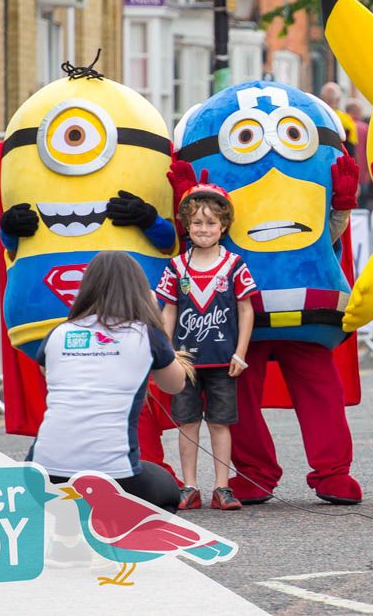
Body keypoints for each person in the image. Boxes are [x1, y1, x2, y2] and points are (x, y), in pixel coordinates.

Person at [31, 251, 192, 513]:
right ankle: (124, 540)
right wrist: (156, 318)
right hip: (113, 477)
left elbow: (48, 374)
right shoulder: (146, 333)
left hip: (41, 473)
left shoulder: (59, 332)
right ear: (138, 289)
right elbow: (175, 384)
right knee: (165, 488)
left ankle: (68, 528)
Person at [156, 183, 256, 511]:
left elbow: (246, 309)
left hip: (223, 359)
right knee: (187, 423)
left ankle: (222, 487)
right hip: (184, 361)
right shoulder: (176, 267)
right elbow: (168, 309)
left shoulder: (234, 265)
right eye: (197, 223)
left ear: (223, 226)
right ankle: (189, 485)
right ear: (187, 225)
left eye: (211, 223)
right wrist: (165, 352)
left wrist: (241, 352)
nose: (204, 229)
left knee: (219, 422)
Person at [321, 81, 359, 159]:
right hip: (339, 162)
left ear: (322, 98)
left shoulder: (316, 116)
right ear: (338, 100)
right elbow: (351, 149)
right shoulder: (347, 120)